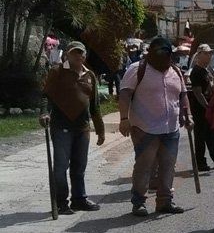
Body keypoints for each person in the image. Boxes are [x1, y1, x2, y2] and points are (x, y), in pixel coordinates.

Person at [119, 36, 192, 217]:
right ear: (151, 53)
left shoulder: (175, 71)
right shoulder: (137, 69)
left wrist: (188, 115)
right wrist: (124, 118)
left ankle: (165, 201)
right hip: (145, 128)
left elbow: (183, 95)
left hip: (171, 128)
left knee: (168, 166)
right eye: (159, 53)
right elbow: (125, 94)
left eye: (166, 54)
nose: (163, 57)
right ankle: (139, 203)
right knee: (144, 166)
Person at [39, 41, 106, 215]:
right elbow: (46, 95)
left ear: (85, 55)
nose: (78, 56)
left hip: (82, 128)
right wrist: (44, 112)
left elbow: (95, 105)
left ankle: (79, 199)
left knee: (79, 166)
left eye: (81, 53)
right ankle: (61, 202)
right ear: (67, 54)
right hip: (61, 127)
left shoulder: (90, 75)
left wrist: (100, 130)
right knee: (61, 167)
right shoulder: (57, 71)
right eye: (74, 52)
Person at [190, 44, 214, 172]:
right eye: (206, 54)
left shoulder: (208, 70)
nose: (209, 56)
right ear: (199, 55)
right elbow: (198, 93)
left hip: (210, 108)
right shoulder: (196, 72)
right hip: (201, 110)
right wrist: (207, 107)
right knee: (200, 137)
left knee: (213, 136)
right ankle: (201, 163)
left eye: (210, 54)